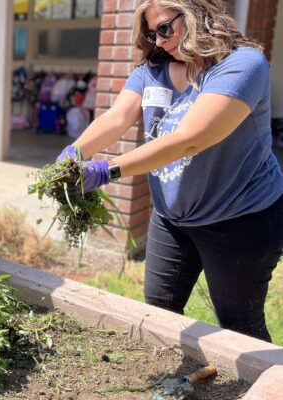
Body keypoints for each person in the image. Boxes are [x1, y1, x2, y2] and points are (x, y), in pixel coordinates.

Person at [54, 0, 283, 342]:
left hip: (240, 217)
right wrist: (74, 154)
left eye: (164, 29)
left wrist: (106, 171)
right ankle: (177, 384)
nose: (159, 41)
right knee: (159, 309)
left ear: (196, 14)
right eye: (151, 33)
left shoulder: (241, 65)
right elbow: (115, 119)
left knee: (239, 327)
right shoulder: (151, 71)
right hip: (172, 217)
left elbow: (189, 140)